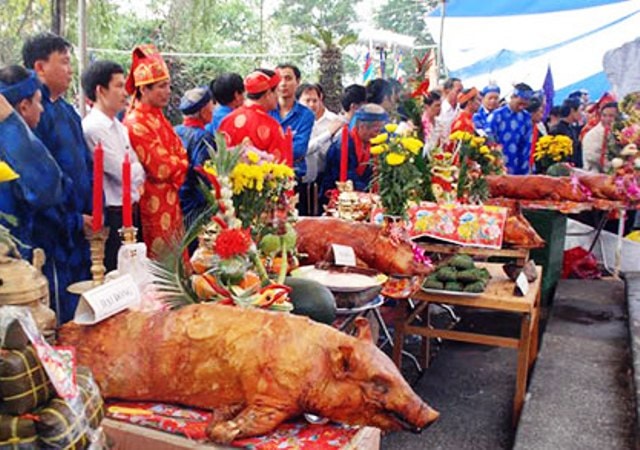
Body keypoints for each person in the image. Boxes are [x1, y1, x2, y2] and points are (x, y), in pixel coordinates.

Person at [23, 32, 93, 323]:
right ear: (40, 67)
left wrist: (88, 214)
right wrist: (72, 219)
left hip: (80, 228)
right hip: (51, 234)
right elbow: (38, 183)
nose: (70, 69)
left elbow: (85, 167)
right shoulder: (30, 117)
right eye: (63, 62)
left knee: (82, 303)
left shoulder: (68, 111)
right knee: (57, 310)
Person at [123, 44, 188, 258]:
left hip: (170, 198)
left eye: (168, 86)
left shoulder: (158, 117)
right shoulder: (135, 122)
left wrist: (177, 162)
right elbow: (160, 167)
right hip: (151, 202)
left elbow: (180, 153)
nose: (168, 92)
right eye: (161, 86)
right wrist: (178, 162)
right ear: (143, 89)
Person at [81, 60, 145, 271]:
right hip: (113, 214)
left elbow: (138, 170)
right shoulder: (94, 128)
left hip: (131, 210)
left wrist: (135, 170)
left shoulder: (118, 126)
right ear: (100, 90)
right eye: (118, 86)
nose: (125, 92)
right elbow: (122, 171)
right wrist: (135, 170)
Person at [0, 70, 63, 260]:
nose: (42, 109)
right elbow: (48, 187)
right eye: (38, 101)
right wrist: (10, 123)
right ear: (24, 106)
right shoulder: (16, 142)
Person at [321, 104, 387, 202]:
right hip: (339, 197)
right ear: (362, 127)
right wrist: (368, 194)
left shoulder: (373, 144)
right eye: (376, 130)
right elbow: (347, 177)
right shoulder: (342, 145)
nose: (378, 134)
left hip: (366, 196)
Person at [219, 69, 288, 161]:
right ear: (268, 93)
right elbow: (281, 167)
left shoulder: (226, 121)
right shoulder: (273, 126)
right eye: (276, 91)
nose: (278, 96)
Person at [296, 82, 343, 215]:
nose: (311, 104)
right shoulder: (295, 123)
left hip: (325, 179)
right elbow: (304, 149)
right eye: (307, 100)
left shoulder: (333, 121)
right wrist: (327, 134)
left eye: (315, 100)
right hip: (301, 180)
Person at [174, 86, 216, 221]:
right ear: (203, 111)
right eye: (211, 105)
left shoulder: (174, 131)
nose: (213, 109)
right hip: (194, 206)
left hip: (176, 201)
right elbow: (204, 175)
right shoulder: (204, 137)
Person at [485, 83, 534, 175]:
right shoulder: (497, 115)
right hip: (498, 169)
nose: (522, 107)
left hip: (518, 171)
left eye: (525, 104)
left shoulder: (526, 117)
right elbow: (489, 140)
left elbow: (526, 146)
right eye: (520, 103)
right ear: (513, 97)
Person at [582, 101, 619, 172]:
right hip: (595, 175)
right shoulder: (592, 135)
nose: (607, 119)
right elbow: (592, 157)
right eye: (604, 115)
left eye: (611, 116)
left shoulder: (621, 132)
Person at [550, 97, 583, 168]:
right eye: (580, 110)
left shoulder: (571, 128)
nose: (581, 113)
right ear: (572, 110)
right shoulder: (557, 130)